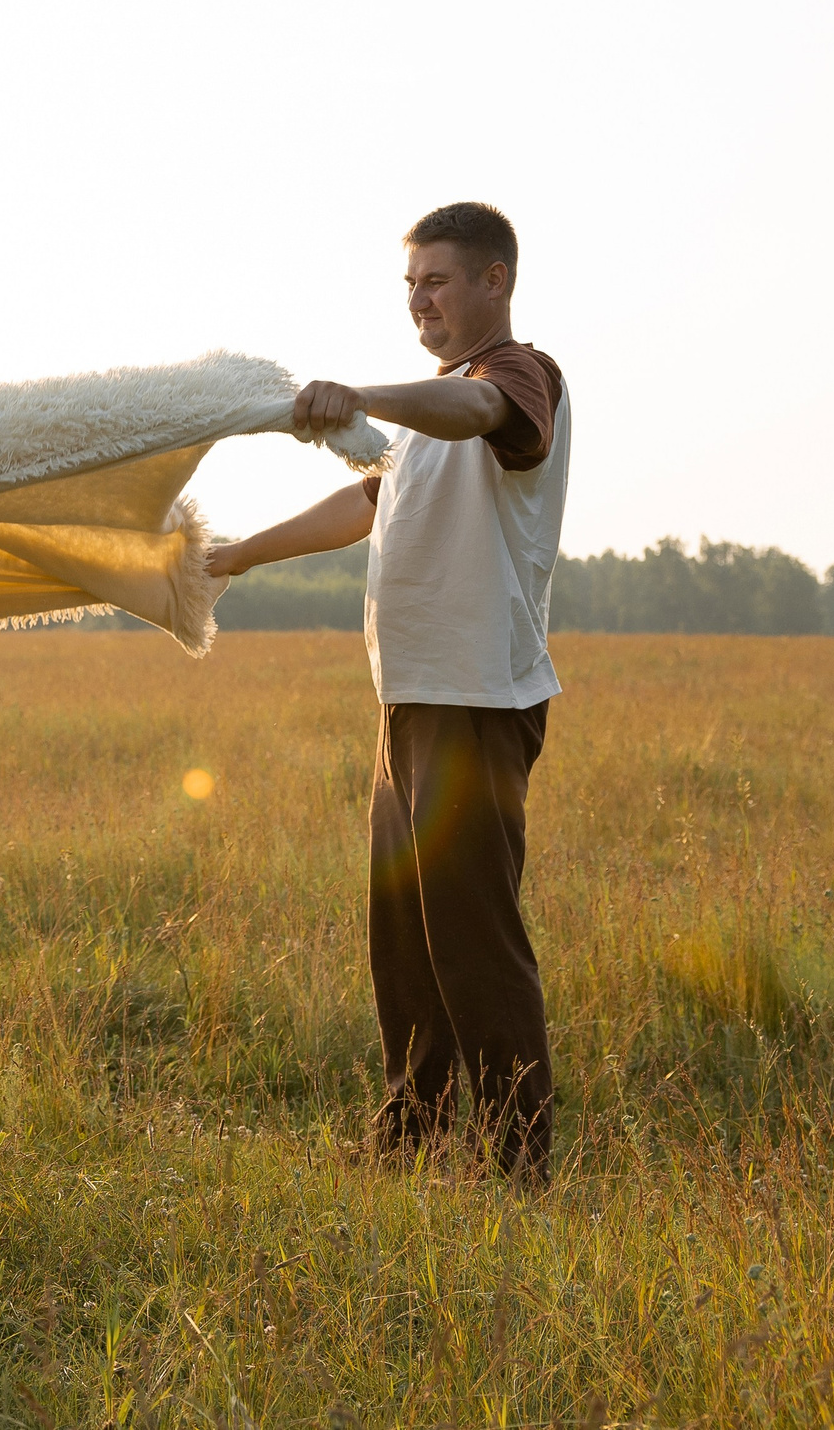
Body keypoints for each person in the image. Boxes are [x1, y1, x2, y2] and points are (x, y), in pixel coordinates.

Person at [208, 201, 569, 1181]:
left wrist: (357, 391)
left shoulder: (515, 378)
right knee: (404, 941)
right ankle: (411, 1137)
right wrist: (236, 556)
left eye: (438, 281)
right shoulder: (424, 415)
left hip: (476, 702)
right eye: (410, 286)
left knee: (472, 940)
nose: (420, 300)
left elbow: (481, 412)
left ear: (494, 281)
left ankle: (517, 1165)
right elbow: (362, 503)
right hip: (408, 701)